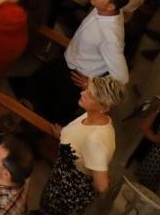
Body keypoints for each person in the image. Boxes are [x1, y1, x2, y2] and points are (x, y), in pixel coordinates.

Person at [27, 0, 130, 126]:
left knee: (53, 114)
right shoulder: (103, 9)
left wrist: (91, 84)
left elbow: (122, 77)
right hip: (66, 60)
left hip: (75, 78)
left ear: (111, 6)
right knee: (36, 85)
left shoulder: (110, 37)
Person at [38, 76, 125, 215]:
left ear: (104, 107)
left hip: (68, 191)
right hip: (60, 177)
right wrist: (64, 136)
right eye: (86, 89)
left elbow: (102, 186)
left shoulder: (96, 140)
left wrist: (88, 180)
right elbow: (79, 142)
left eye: (90, 95)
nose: (82, 93)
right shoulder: (90, 115)